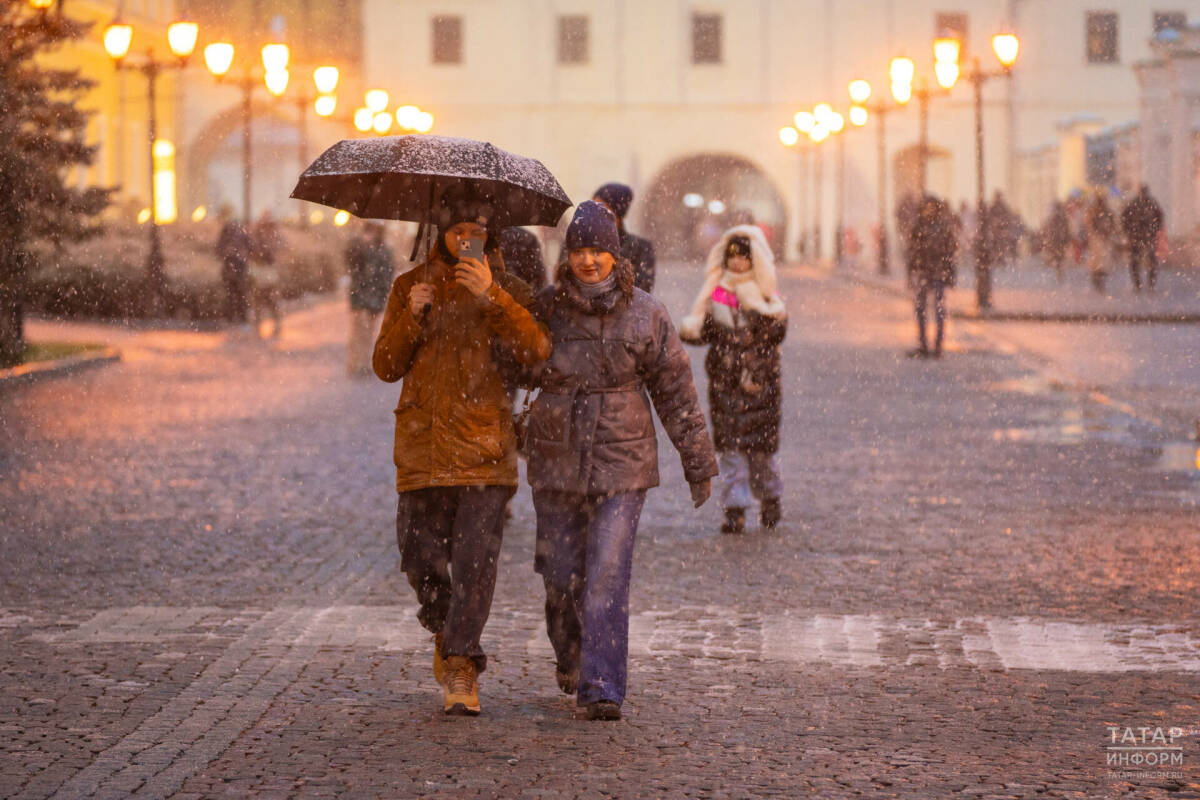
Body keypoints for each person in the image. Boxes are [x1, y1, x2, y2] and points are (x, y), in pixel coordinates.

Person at [526, 201, 717, 721]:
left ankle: (602, 683)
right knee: (561, 574)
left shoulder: (647, 313)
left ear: (615, 255)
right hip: (557, 456)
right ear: (567, 255)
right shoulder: (546, 308)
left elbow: (676, 392)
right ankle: (571, 649)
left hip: (623, 460)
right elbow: (513, 365)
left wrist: (698, 463)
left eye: (598, 251)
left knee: (607, 574)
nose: (588, 261)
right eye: (579, 250)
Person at [373, 199, 551, 716]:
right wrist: (411, 316)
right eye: (459, 229)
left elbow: (537, 352)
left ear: (489, 234)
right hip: (423, 446)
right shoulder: (410, 287)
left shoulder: (508, 288)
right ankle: (447, 628)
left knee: (475, 564)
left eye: (477, 229)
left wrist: (491, 295)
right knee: (418, 555)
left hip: (483, 448)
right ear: (442, 231)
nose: (467, 237)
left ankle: (460, 661)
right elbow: (385, 365)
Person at [679, 225, 787, 535]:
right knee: (730, 453)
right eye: (733, 257)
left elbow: (776, 332)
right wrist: (693, 330)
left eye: (744, 257)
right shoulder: (717, 293)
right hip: (725, 387)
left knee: (761, 454)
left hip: (759, 388)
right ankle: (734, 509)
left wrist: (751, 331)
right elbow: (707, 333)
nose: (738, 263)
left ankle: (770, 497)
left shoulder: (766, 294)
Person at [906, 195, 958, 359]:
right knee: (925, 309)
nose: (929, 210)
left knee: (936, 309)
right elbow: (912, 251)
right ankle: (927, 345)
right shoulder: (921, 226)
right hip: (927, 272)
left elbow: (950, 251)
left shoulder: (936, 227)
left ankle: (935, 346)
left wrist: (949, 272)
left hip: (935, 272)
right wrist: (912, 271)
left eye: (932, 207)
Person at [346, 221, 395, 377]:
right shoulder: (359, 246)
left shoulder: (383, 250)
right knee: (360, 331)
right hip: (362, 296)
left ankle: (362, 363)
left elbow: (387, 274)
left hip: (372, 297)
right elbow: (350, 262)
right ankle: (357, 363)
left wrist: (383, 293)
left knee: (366, 332)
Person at [592, 182, 657, 293]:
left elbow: (641, 290)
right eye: (592, 207)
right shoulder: (576, 243)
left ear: (617, 214)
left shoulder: (640, 248)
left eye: (602, 208)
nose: (594, 213)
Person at [1121, 184, 1164, 292]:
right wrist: (1129, 230)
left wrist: (1154, 230)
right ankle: (1140, 284)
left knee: (1147, 262)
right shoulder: (1136, 203)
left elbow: (1159, 217)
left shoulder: (1148, 203)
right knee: (1137, 262)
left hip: (1144, 237)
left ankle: (1147, 284)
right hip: (1139, 237)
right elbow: (1124, 218)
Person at [249, 211, 284, 338]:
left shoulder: (272, 236)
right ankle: (260, 325)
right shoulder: (258, 236)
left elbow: (279, 249)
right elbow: (252, 251)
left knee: (270, 302)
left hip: (268, 274)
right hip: (261, 274)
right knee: (260, 301)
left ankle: (275, 325)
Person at [216, 205, 252, 325]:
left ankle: (238, 318)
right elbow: (219, 249)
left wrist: (238, 252)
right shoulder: (230, 231)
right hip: (232, 265)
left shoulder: (234, 230)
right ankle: (235, 318)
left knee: (237, 293)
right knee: (233, 293)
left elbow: (250, 246)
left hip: (237, 265)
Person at [1084, 192, 1117, 293]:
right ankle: (1098, 279)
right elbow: (1090, 224)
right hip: (1098, 239)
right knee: (1100, 260)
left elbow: (1111, 224)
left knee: (1100, 260)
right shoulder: (1099, 211)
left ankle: (1098, 279)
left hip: (1099, 239)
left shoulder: (1096, 211)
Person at [499, 226, 547, 292]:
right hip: (519, 293)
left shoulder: (488, 236)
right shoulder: (528, 238)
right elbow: (538, 277)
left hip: (491, 292)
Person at [1042, 201, 1071, 283]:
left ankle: (1057, 270)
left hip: (1056, 241)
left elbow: (1049, 230)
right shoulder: (1063, 218)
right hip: (1060, 241)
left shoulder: (1053, 218)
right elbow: (1067, 231)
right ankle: (1058, 271)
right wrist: (1067, 240)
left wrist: (1049, 240)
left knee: (1057, 257)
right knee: (1059, 257)